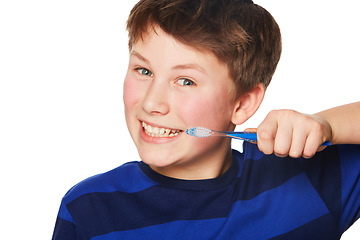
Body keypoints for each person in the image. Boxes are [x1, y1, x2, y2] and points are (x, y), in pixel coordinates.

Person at [52, 0, 360, 239]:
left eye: (185, 81)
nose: (151, 103)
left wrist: (327, 124)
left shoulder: (308, 183)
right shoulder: (88, 209)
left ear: (242, 103)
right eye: (144, 71)